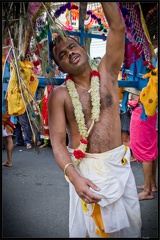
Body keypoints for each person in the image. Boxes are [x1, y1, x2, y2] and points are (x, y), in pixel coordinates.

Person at [48, 2, 141, 238]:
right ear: (60, 66)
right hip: (85, 173)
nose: (70, 53)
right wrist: (76, 179)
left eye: (72, 46)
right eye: (63, 55)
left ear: (83, 47)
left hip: (117, 167)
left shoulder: (108, 73)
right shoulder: (60, 95)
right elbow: (58, 142)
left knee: (128, 233)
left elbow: (117, 28)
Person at [129, 94, 158, 201]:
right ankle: (151, 185)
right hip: (148, 110)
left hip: (142, 111)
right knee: (150, 148)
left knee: (145, 151)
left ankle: (147, 191)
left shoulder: (147, 77)